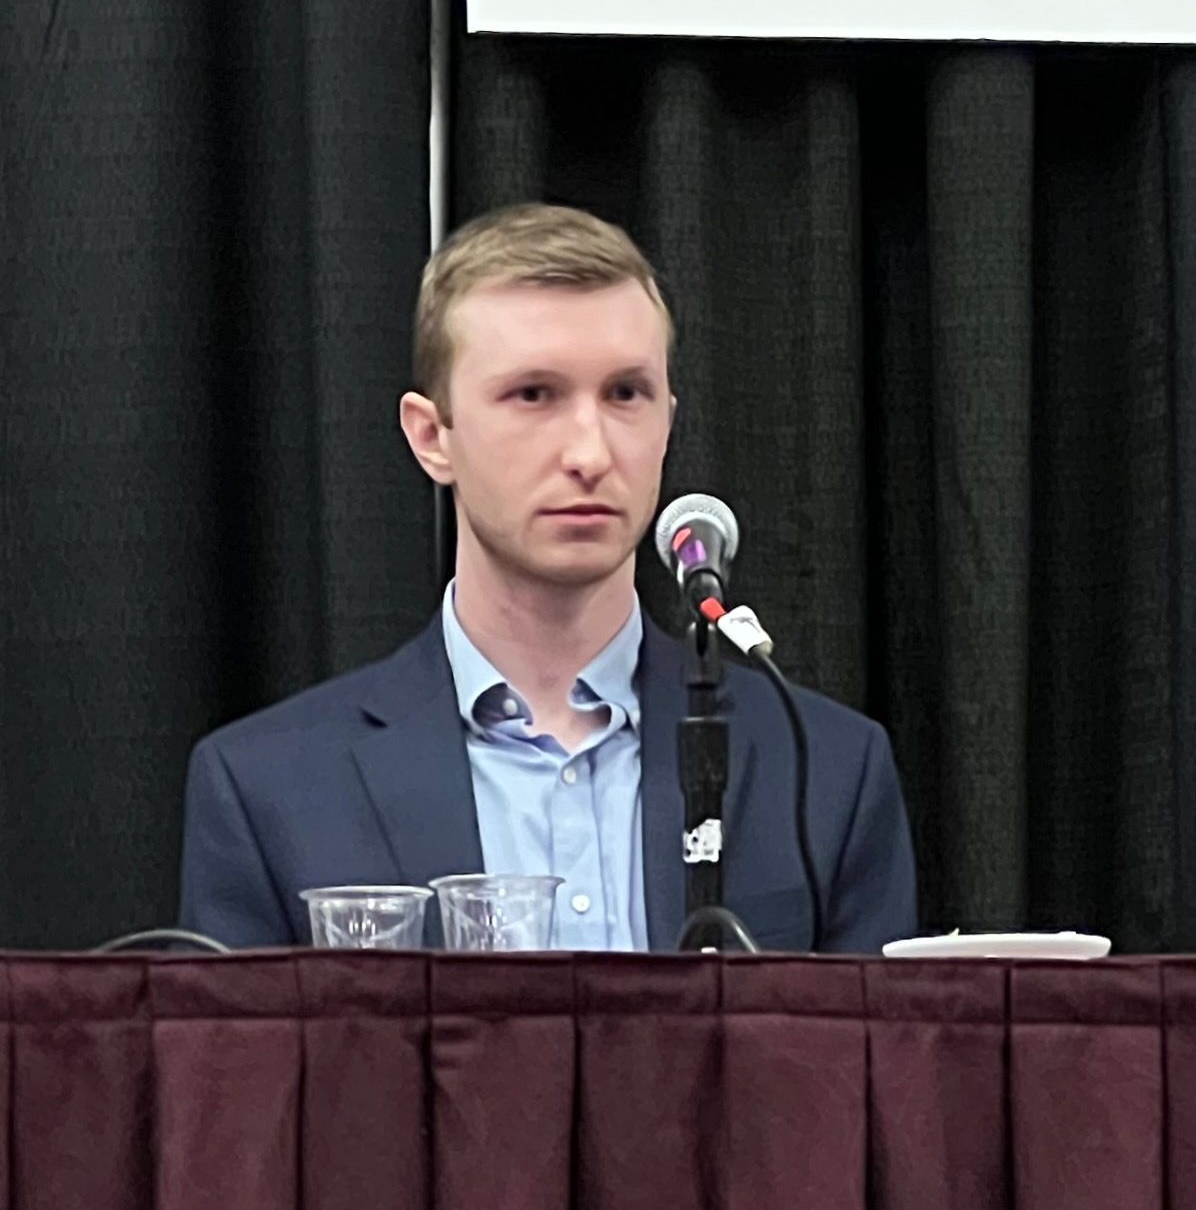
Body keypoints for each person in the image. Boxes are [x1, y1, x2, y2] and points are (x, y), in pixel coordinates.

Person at [180, 203, 918, 952]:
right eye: (533, 395)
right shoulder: (269, 789)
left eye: (625, 394)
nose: (589, 454)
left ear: (668, 421)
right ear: (432, 436)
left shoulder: (828, 770)